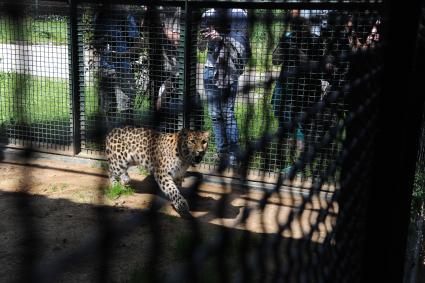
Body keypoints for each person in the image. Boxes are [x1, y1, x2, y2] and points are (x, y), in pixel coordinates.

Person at [271, 10, 327, 175]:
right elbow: (275, 60)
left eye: (301, 24)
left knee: (301, 126)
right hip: (285, 88)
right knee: (284, 123)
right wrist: (285, 44)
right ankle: (285, 162)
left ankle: (299, 166)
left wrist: (296, 49)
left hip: (305, 90)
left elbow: (317, 66)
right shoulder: (288, 37)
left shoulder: (316, 40)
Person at [198, 8, 249, 167]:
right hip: (209, 68)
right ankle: (221, 153)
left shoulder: (240, 13)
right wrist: (203, 38)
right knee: (214, 114)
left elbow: (243, 45)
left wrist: (221, 38)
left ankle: (234, 155)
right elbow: (200, 48)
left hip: (229, 69)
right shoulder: (207, 13)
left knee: (228, 113)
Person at [94, 5, 140, 128]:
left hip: (124, 68)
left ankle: (130, 136)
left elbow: (137, 45)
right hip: (106, 68)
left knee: (126, 107)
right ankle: (109, 137)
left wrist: (121, 55)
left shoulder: (126, 17)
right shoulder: (101, 17)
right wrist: (102, 41)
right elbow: (95, 42)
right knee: (108, 107)